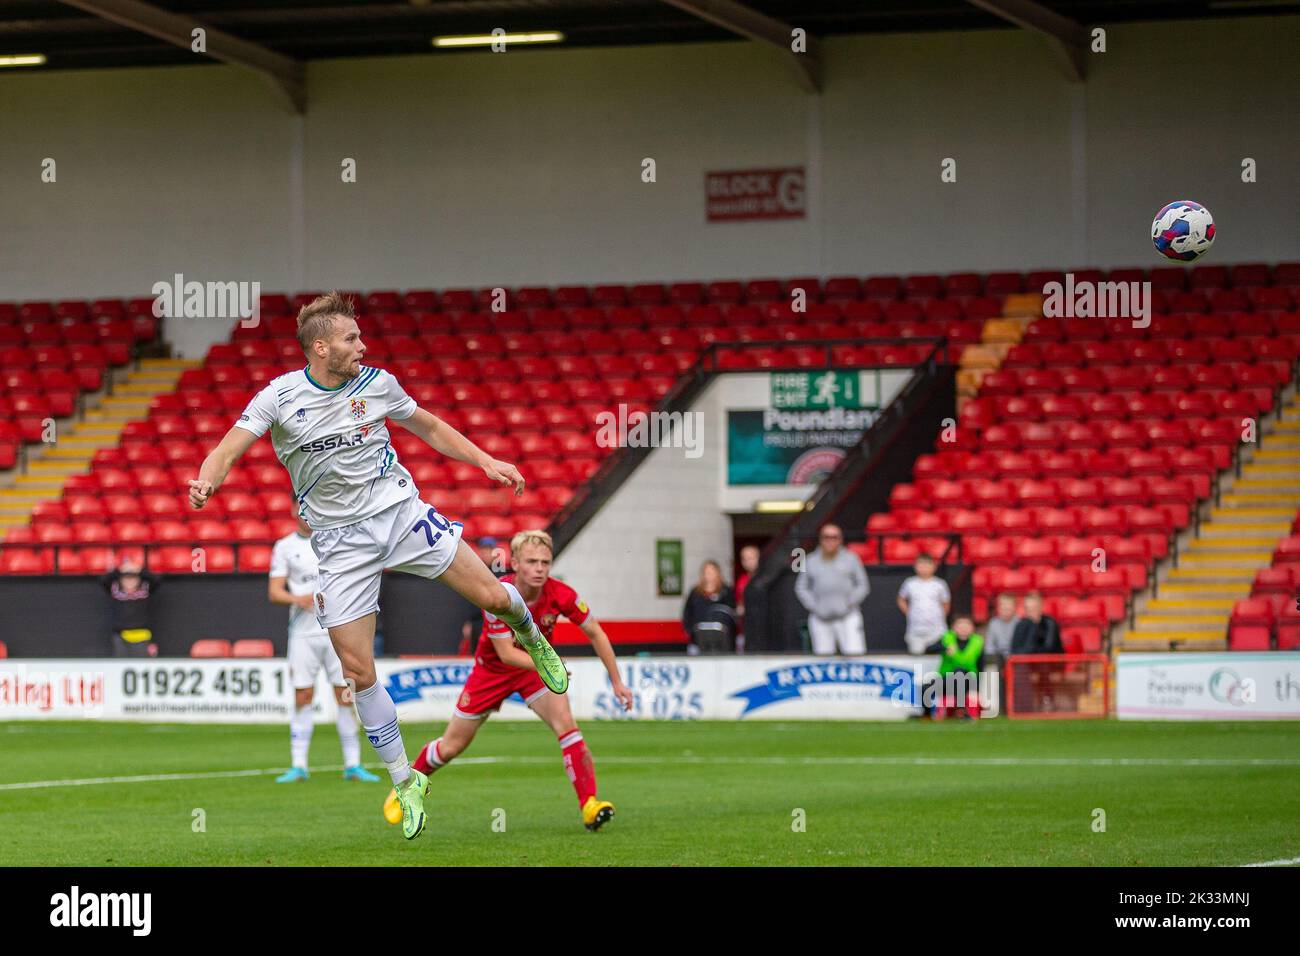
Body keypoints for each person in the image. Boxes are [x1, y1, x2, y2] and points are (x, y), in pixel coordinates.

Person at [189, 291, 568, 841]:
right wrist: (206, 480)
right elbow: (226, 450)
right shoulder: (279, 397)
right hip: (340, 546)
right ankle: (404, 778)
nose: (362, 346)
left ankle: (532, 636)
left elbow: (432, 428)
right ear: (320, 347)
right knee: (358, 670)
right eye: (350, 339)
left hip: (399, 514)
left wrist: (485, 459)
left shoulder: (379, 384)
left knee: (491, 596)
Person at [385, 529, 634, 831]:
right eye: (532, 561)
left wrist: (617, 682)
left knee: (567, 727)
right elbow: (505, 654)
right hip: (492, 672)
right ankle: (406, 786)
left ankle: (590, 805)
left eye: (545, 561)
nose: (540, 568)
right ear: (515, 561)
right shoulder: (498, 594)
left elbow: (595, 632)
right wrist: (549, 664)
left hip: (534, 672)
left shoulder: (561, 594)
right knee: (451, 746)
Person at [269, 510, 380, 784]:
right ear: (293, 510)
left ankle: (353, 764)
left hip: (337, 631)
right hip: (302, 635)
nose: (304, 514)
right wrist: (299, 598)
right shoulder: (285, 546)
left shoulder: (335, 539)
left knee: (345, 695)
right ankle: (298, 766)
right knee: (303, 695)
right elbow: (274, 592)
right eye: (298, 509)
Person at [793, 523, 868, 655]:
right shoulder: (809, 560)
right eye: (826, 537)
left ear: (840, 539)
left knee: (855, 657)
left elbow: (863, 585)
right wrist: (815, 606)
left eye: (834, 537)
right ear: (821, 539)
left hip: (848, 617)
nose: (830, 541)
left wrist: (850, 603)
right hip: (820, 619)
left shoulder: (851, 558)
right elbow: (801, 587)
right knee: (823, 660)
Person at [99, 558, 162, 657]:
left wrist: (139, 570)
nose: (130, 581)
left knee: (140, 665)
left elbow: (156, 579)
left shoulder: (145, 590)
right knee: (120, 664)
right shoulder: (115, 590)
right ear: (120, 580)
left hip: (142, 636)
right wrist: (120, 570)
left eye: (133, 578)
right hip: (121, 636)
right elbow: (103, 580)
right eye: (126, 578)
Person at [926, 614, 984, 720]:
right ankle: (927, 715)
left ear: (972, 628)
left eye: (966, 625)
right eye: (960, 625)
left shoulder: (978, 642)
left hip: (969, 680)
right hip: (946, 680)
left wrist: (978, 689)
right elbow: (928, 649)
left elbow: (981, 667)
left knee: (960, 673)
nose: (963, 628)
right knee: (926, 687)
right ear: (953, 627)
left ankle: (961, 710)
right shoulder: (947, 638)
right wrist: (944, 648)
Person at [458, 536, 505, 655]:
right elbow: (471, 600)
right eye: (483, 550)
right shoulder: (473, 571)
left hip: (497, 620)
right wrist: (469, 622)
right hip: (478, 622)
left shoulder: (501, 572)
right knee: (477, 654)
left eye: (489, 550)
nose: (485, 553)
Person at [897, 553, 951, 655]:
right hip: (916, 630)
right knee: (917, 656)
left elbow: (946, 603)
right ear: (915, 567)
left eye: (927, 564)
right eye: (921, 564)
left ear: (934, 567)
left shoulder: (940, 584)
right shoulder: (910, 583)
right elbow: (901, 599)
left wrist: (939, 616)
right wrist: (909, 612)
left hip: (937, 629)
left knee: (937, 655)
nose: (924, 568)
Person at [681, 560, 737, 653]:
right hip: (698, 637)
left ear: (718, 573)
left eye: (712, 572)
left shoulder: (726, 591)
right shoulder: (695, 592)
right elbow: (687, 612)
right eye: (706, 572)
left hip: (723, 638)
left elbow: (731, 613)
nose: (709, 575)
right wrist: (690, 631)